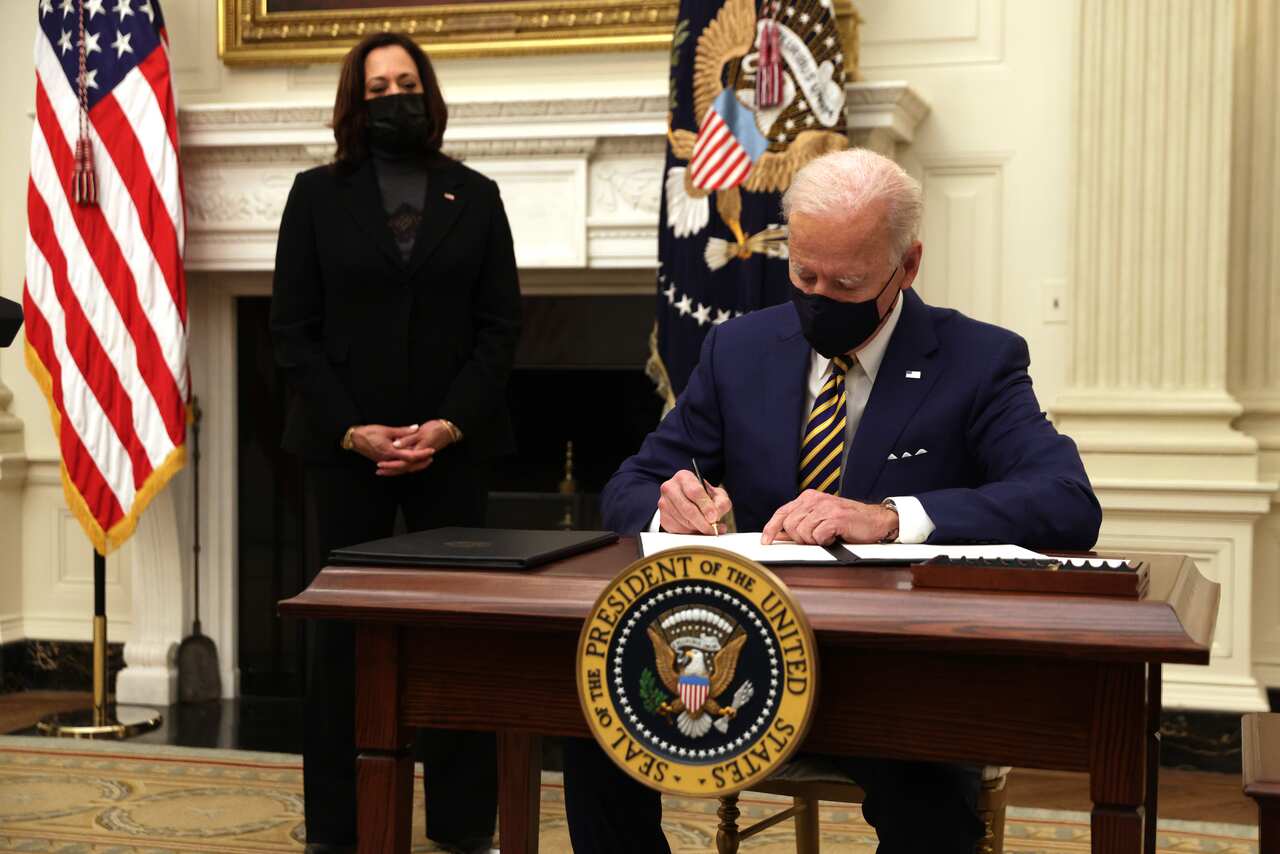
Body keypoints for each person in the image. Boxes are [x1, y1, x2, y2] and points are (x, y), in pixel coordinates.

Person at [564, 148, 1102, 853]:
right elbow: (630, 486)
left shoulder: (977, 361)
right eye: (803, 274)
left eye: (845, 283)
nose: (817, 297)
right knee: (590, 727)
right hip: (744, 657)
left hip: (891, 678)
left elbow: (1066, 502)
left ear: (906, 267)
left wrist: (893, 517)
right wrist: (672, 509)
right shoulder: (739, 351)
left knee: (930, 804)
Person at [270, 32, 521, 854]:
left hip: (453, 447)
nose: (394, 97)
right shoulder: (314, 195)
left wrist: (446, 426)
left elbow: (500, 330)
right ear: (355, 100)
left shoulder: (476, 195)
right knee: (338, 647)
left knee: (459, 640)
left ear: (430, 92)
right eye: (378, 86)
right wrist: (353, 429)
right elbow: (292, 332)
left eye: (406, 82)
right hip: (344, 450)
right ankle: (337, 831)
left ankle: (461, 827)